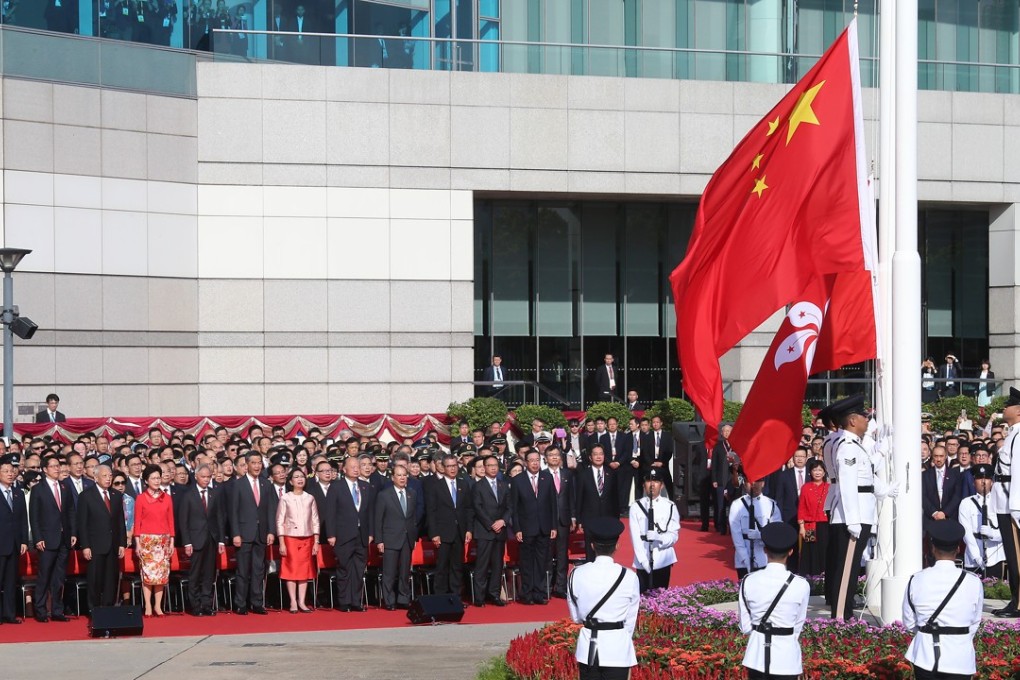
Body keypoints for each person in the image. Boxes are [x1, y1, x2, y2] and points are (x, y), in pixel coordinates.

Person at [902, 521, 983, 680]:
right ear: (958, 549)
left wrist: (926, 634)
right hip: (959, 657)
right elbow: (975, 621)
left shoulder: (916, 579)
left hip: (925, 656)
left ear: (932, 548)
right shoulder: (973, 582)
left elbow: (909, 621)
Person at [827, 395, 880, 620]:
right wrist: (852, 519)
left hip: (862, 509)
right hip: (853, 513)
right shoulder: (847, 447)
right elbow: (848, 485)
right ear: (852, 421)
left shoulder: (855, 446)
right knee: (846, 568)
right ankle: (840, 616)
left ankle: (846, 613)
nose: (867, 421)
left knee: (849, 567)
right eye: (863, 417)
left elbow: (865, 480)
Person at [567, 517, 640, 680]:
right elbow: (631, 619)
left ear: (592, 546)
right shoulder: (629, 576)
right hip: (617, 648)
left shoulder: (575, 574)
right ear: (617, 546)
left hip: (588, 650)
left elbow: (576, 617)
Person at [738, 523, 810, 680]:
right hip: (786, 658)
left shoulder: (748, 581)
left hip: (756, 657)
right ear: (791, 552)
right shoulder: (801, 584)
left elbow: (745, 626)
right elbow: (798, 623)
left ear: (765, 550)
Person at [229, 451, 277, 615]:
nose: (257, 466)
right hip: (243, 533)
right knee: (243, 570)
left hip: (261, 533)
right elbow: (233, 511)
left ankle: (256, 602)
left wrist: (271, 530)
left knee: (258, 570)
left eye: (259, 463)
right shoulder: (238, 484)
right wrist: (235, 533)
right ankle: (240, 603)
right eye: (254, 463)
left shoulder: (266, 484)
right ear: (247, 464)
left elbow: (271, 509)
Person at [29, 454, 76, 622]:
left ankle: (57, 610)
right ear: (44, 469)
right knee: (44, 576)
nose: (57, 468)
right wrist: (38, 538)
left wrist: (73, 533)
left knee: (59, 577)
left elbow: (71, 511)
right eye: (53, 466)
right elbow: (33, 517)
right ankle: (41, 610)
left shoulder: (65, 487)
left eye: (58, 465)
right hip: (46, 540)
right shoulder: (38, 489)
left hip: (64, 539)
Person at [324, 455, 374, 612]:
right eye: (352, 467)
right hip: (343, 535)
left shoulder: (365, 487)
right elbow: (330, 513)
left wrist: (371, 532)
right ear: (344, 469)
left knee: (359, 569)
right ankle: (344, 601)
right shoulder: (336, 487)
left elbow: (370, 513)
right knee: (344, 568)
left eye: (357, 466)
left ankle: (356, 601)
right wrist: (331, 534)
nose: (356, 469)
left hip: (362, 534)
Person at [75, 464, 127, 610]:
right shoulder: (86, 496)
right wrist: (85, 546)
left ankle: (109, 608)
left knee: (111, 579)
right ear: (95, 477)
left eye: (110, 475)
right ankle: (94, 609)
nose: (108, 478)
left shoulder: (116, 495)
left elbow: (120, 522)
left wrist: (122, 543)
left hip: (113, 544)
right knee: (95, 579)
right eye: (104, 476)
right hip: (95, 544)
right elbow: (82, 523)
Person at [510, 450, 557, 605]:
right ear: (525, 462)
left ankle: (540, 592)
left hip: (544, 527)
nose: (535, 463)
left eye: (538, 460)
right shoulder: (518, 480)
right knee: (527, 563)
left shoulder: (547, 477)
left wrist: (553, 526)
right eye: (532, 460)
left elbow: (553, 504)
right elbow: (514, 508)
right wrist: (517, 529)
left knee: (541, 562)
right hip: (526, 528)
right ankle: (527, 593)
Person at [178, 464, 225, 617]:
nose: (206, 480)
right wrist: (187, 542)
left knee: (209, 574)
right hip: (195, 539)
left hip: (211, 539)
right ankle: (195, 605)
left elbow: (219, 518)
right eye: (203, 477)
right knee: (195, 574)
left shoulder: (214, 494)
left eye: (208, 477)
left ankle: (207, 604)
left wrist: (221, 540)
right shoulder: (188, 494)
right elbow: (183, 521)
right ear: (196, 476)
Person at [426, 453, 472, 598]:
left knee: (457, 567)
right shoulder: (436, 486)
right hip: (443, 533)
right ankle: (440, 598)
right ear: (443, 467)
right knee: (442, 567)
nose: (452, 469)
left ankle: (455, 597)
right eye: (449, 466)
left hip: (459, 532)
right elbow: (431, 511)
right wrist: (434, 533)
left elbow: (469, 509)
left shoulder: (464, 484)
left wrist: (469, 529)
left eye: (454, 465)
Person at [628, 469, 680, 593]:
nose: (652, 485)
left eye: (656, 481)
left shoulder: (670, 506)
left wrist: (660, 537)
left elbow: (674, 535)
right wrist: (643, 560)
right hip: (643, 559)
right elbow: (635, 537)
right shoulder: (636, 507)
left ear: (661, 485)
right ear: (643, 485)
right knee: (643, 598)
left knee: (661, 597)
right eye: (648, 481)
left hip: (663, 557)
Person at [992, 386, 1020, 618]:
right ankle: (1015, 599)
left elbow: (1018, 474)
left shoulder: (1019, 436)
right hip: (1004, 503)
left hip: (1011, 505)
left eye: (1008, 405)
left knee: (1015, 555)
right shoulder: (1013, 433)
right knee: (1012, 555)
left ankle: (1019, 603)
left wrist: (1015, 508)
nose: (1004, 408)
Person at [133, 464, 175, 617]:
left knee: (161, 575)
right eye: (154, 478)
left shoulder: (167, 498)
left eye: (159, 477)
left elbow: (171, 522)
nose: (157, 481)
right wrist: (137, 543)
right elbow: (137, 522)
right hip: (147, 541)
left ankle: (158, 606)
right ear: (146, 480)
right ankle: (148, 606)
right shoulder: (141, 499)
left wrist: (171, 542)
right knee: (148, 575)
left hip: (163, 541)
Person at [469, 454, 510, 607]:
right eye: (490, 465)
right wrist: (491, 524)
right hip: (485, 531)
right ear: (484, 468)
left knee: (498, 565)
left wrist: (503, 521)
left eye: (495, 465)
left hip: (500, 531)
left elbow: (509, 507)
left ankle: (494, 594)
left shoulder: (503, 485)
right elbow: (477, 508)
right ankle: (479, 597)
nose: (493, 468)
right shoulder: (477, 486)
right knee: (482, 565)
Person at [276, 468, 318, 613]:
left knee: (304, 571)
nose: (300, 479)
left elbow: (315, 520)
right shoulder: (285, 498)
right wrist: (281, 542)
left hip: (307, 538)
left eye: (302, 476)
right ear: (290, 481)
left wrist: (316, 541)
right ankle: (293, 601)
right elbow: (280, 520)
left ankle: (302, 601)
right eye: (296, 477)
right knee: (291, 570)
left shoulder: (310, 498)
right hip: (290, 538)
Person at [374, 466, 416, 610]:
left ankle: (403, 599)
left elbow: (412, 517)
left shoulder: (412, 493)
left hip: (407, 538)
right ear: (393, 477)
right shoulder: (384, 495)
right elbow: (378, 519)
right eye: (399, 475)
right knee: (389, 572)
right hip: (390, 538)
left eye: (404, 475)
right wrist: (379, 540)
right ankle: (389, 600)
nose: (402, 478)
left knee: (405, 571)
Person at [729, 476, 781, 579]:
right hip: (744, 555)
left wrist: (762, 535)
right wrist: (745, 559)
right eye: (749, 481)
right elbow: (736, 534)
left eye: (757, 481)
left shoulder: (771, 505)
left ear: (763, 483)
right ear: (744, 483)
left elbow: (777, 530)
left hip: (765, 556)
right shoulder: (737, 505)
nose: (753, 484)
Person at [959, 463, 1004, 579]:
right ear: (974, 482)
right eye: (979, 478)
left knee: (994, 593)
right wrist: (976, 557)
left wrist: (993, 534)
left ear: (992, 482)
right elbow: (966, 533)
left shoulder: (999, 502)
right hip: (973, 557)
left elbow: (1006, 531)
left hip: (995, 556)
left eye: (987, 478)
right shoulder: (966, 503)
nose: (983, 482)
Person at [575, 445, 618, 561]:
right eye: (595, 454)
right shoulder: (583, 475)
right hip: (590, 519)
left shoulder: (611, 473)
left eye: (601, 454)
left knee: (607, 551)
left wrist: (616, 519)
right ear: (590, 457)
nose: (598, 457)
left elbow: (615, 498)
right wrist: (579, 520)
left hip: (608, 518)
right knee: (591, 551)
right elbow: (579, 498)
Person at [0, 454, 28, 624]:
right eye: (5, 471)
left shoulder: (18, 493)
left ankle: (9, 614)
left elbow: (23, 519)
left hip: (15, 544)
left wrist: (24, 540)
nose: (10, 474)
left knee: (11, 581)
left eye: (11, 471)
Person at [544, 447, 574, 598]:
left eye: (557, 455)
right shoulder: (542, 476)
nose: (554, 457)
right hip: (547, 521)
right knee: (547, 555)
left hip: (564, 519)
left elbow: (571, 497)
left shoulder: (568, 474)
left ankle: (560, 587)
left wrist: (573, 517)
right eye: (551, 455)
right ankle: (547, 586)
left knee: (562, 555)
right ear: (546, 458)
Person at [796, 459, 829, 577]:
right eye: (815, 470)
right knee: (811, 552)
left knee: (825, 550)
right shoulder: (805, 487)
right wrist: (801, 526)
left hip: (826, 524)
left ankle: (825, 576)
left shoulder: (829, 487)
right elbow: (802, 507)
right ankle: (812, 578)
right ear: (810, 472)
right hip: (810, 524)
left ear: (824, 472)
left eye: (820, 470)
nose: (817, 472)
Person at [712, 424, 738, 534]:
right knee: (721, 505)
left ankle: (733, 528)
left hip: (733, 479)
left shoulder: (736, 446)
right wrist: (714, 480)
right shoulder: (718, 447)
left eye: (729, 431)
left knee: (733, 505)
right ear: (721, 433)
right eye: (725, 431)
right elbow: (714, 464)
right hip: (720, 479)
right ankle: (722, 527)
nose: (727, 433)